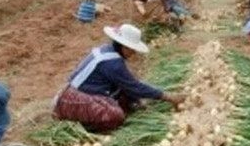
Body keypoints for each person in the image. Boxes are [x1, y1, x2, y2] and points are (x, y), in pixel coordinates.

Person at [53, 23, 185, 132]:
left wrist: (136, 100)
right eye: (132, 49)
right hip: (71, 99)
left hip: (84, 91)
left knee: (126, 95)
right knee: (116, 116)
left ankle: (93, 114)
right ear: (124, 47)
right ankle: (85, 127)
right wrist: (167, 96)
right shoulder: (113, 63)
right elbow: (134, 87)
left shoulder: (107, 49)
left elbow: (128, 84)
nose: (134, 53)